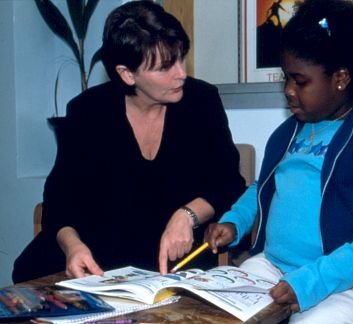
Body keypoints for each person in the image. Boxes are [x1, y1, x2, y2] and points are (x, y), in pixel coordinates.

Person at [205, 0, 353, 323]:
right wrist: (235, 221)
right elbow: (266, 188)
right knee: (213, 315)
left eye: (300, 81)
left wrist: (312, 281)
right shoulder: (287, 133)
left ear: (341, 78)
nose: (289, 91)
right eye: (286, 79)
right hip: (274, 265)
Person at [12, 0, 246, 283]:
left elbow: (229, 183)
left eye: (181, 58)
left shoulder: (201, 101)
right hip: (100, 259)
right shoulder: (88, 112)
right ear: (127, 73)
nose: (181, 73)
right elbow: (60, 200)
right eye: (165, 67)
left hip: (171, 259)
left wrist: (188, 215)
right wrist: (72, 246)